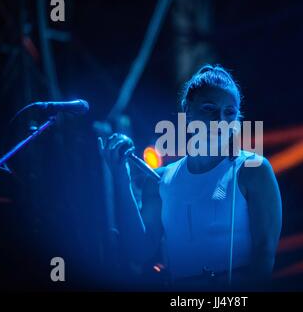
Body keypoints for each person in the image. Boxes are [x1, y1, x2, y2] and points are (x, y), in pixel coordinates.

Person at [98, 64, 282, 290]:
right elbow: (140, 250)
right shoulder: (159, 180)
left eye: (229, 112)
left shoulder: (253, 170)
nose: (221, 120)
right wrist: (120, 179)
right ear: (188, 111)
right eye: (209, 109)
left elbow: (264, 256)